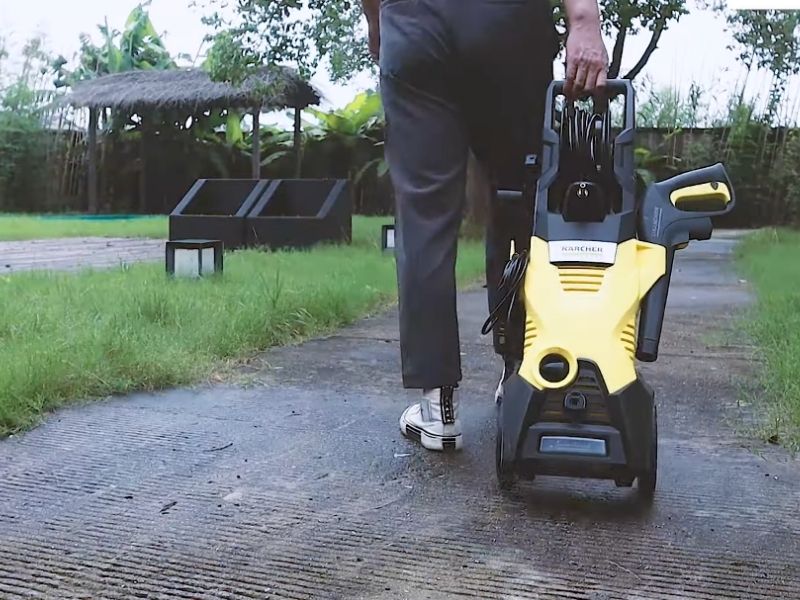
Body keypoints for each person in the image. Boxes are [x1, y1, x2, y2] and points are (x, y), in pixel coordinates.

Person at [361, 0, 609, 451]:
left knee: (424, 213)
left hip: (415, 23)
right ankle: (519, 376)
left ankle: (438, 407)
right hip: (506, 24)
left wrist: (379, 23)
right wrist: (583, 20)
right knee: (517, 199)